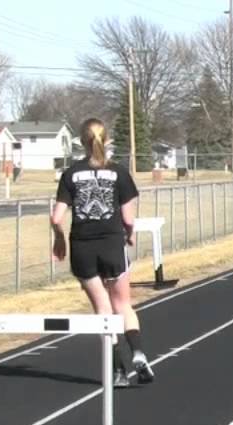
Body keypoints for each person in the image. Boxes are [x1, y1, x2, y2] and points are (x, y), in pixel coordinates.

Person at [50, 118, 154, 387]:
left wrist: (59, 239)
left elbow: (56, 216)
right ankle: (139, 352)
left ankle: (118, 370)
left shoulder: (70, 174)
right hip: (111, 244)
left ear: (82, 142)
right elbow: (129, 219)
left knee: (102, 309)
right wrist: (129, 235)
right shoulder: (119, 172)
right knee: (123, 304)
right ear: (106, 141)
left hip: (83, 247)